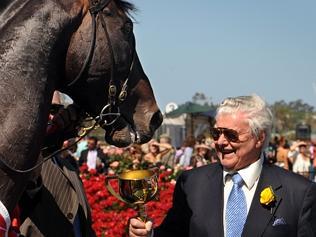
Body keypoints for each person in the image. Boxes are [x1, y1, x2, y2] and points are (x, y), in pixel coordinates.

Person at [128, 94, 316, 237]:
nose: (221, 142)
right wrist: (148, 235)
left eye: (231, 135)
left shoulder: (299, 193)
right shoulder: (192, 183)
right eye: (216, 133)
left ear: (259, 137)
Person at [19, 91, 96, 237]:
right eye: (41, 108)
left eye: (56, 110)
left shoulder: (69, 166)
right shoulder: (16, 163)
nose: (52, 117)